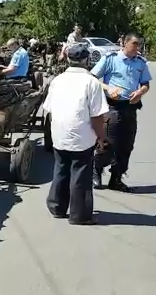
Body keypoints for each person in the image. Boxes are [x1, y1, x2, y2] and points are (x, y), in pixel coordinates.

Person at [42, 44, 108, 225]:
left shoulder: (58, 80)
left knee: (61, 168)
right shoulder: (91, 82)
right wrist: (101, 137)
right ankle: (80, 215)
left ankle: (57, 207)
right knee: (81, 173)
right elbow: (97, 116)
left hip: (59, 133)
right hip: (82, 135)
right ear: (86, 60)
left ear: (68, 59)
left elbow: (48, 109)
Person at [90, 32, 151, 192]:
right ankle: (96, 171)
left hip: (130, 108)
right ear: (125, 43)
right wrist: (108, 88)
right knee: (108, 143)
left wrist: (141, 92)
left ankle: (116, 178)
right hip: (112, 107)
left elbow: (145, 83)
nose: (137, 48)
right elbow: (92, 78)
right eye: (135, 44)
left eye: (139, 44)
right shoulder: (110, 59)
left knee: (126, 145)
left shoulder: (141, 63)